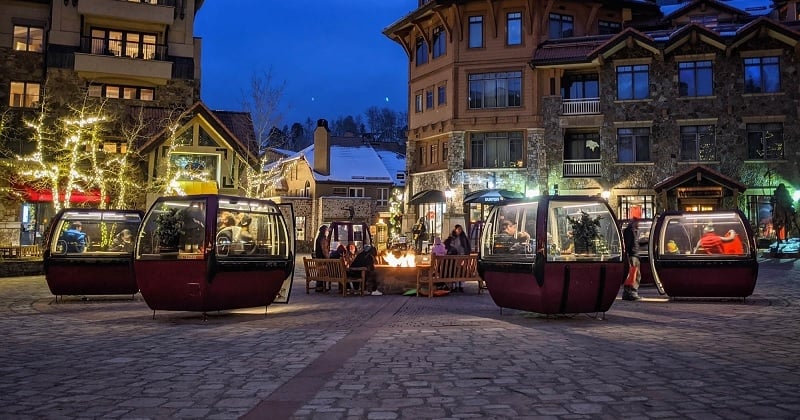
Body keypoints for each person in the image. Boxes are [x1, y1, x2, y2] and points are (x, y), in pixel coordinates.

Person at [444, 224, 472, 292]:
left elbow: (466, 247)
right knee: (454, 269)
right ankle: (456, 285)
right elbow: (447, 245)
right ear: (455, 230)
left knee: (459, 269)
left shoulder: (463, 237)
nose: (459, 230)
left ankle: (460, 285)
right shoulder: (452, 237)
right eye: (458, 229)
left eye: (460, 229)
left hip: (461, 256)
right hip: (454, 257)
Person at [622, 217, 641, 301]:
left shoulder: (632, 231)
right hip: (632, 255)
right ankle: (632, 292)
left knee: (632, 274)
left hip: (633, 254)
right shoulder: (630, 231)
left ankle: (627, 292)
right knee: (634, 275)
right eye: (638, 223)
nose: (639, 225)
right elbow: (629, 244)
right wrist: (629, 254)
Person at [313, 225, 330, 292]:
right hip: (322, 260)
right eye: (327, 230)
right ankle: (320, 287)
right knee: (323, 271)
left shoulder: (318, 238)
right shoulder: (323, 239)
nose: (327, 232)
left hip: (318, 258)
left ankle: (319, 286)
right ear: (324, 231)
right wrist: (328, 258)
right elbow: (324, 250)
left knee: (320, 272)